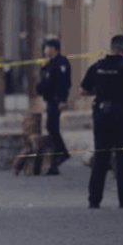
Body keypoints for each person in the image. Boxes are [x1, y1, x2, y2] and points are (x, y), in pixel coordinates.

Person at [80, 35, 123, 209]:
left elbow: (83, 90)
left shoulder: (98, 66)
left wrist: (101, 92)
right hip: (122, 116)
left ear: (111, 48)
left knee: (101, 157)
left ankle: (94, 199)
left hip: (102, 115)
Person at [37, 37, 72, 175]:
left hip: (57, 100)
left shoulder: (61, 63)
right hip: (50, 99)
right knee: (50, 127)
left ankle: (62, 154)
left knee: (52, 127)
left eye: (47, 47)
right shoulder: (48, 64)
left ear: (53, 49)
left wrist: (63, 100)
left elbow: (64, 83)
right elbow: (45, 82)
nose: (45, 50)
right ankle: (56, 158)